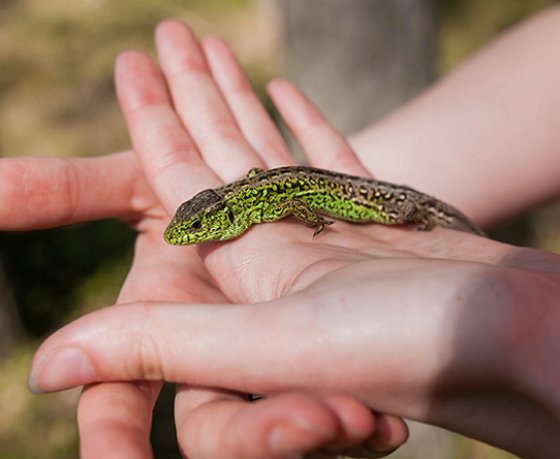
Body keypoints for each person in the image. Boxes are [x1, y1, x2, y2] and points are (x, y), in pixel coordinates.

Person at [7, 4, 560, 458]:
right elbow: (278, 187)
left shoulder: (254, 205)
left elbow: (296, 194)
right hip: (347, 188)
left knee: (408, 212)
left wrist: (324, 220)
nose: (189, 234)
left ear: (223, 217)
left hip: (384, 202)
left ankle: (430, 225)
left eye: (196, 226)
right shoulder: (241, 204)